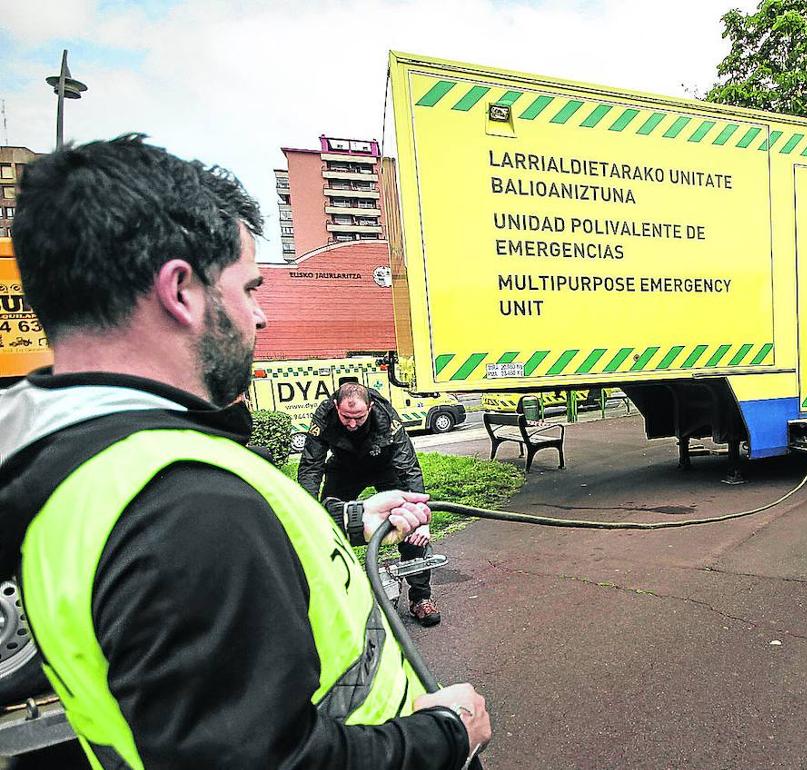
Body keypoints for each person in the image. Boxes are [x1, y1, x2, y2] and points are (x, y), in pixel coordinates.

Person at [0, 136, 490, 769]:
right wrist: (447, 735)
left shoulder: (87, 470)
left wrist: (352, 521)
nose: (259, 316)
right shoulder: (188, 502)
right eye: (249, 287)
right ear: (181, 291)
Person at [298, 382, 442, 626]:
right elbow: (311, 466)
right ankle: (333, 596)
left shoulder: (387, 416)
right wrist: (305, 513)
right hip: (344, 469)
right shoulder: (323, 416)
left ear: (371, 407)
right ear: (336, 406)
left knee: (407, 524)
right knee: (324, 528)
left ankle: (420, 598)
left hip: (385, 467)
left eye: (359, 417)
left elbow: (408, 467)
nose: (352, 424)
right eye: (346, 417)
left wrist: (421, 519)